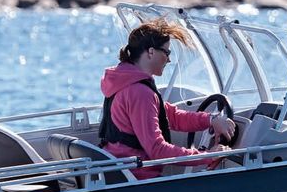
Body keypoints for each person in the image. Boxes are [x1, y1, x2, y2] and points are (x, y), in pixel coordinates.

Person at [100, 17, 236, 180]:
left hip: (122, 172)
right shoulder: (140, 92)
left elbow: (170, 116)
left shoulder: (124, 81)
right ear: (151, 52)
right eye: (167, 52)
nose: (169, 59)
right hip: (138, 179)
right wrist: (207, 155)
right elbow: (157, 150)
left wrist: (212, 120)